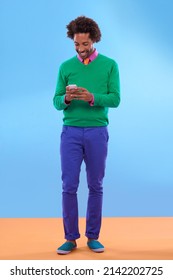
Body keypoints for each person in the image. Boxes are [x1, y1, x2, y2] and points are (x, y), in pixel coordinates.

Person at [53, 16, 120, 255]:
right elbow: (56, 102)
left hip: (97, 132)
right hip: (70, 132)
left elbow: (115, 99)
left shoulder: (110, 65)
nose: (81, 50)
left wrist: (93, 97)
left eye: (85, 44)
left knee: (95, 185)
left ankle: (93, 236)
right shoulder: (65, 67)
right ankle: (70, 238)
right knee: (68, 186)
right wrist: (67, 99)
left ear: (94, 40)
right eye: (76, 45)